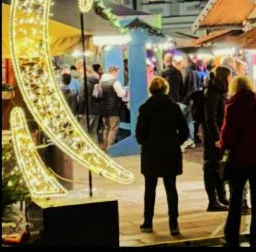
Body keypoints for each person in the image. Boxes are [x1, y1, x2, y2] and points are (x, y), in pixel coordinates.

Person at [217, 75, 256, 248]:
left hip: (239, 159)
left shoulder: (233, 107)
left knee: (235, 199)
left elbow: (228, 135)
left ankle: (232, 238)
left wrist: (221, 144)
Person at [135, 75, 190, 237]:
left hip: (151, 152)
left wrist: (147, 142)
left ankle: (148, 222)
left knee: (150, 189)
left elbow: (139, 135)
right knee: (171, 188)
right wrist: (175, 142)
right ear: (166, 89)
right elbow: (185, 131)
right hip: (170, 152)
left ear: (151, 90)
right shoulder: (174, 108)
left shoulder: (145, 108)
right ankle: (173, 224)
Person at [202, 65, 230, 211]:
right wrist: (216, 138)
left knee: (219, 166)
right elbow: (210, 117)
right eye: (229, 76)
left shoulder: (219, 92)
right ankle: (212, 201)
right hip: (212, 137)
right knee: (211, 167)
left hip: (219, 134)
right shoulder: (212, 92)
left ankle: (222, 197)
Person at [98, 65, 127, 150]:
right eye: (117, 72)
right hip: (113, 108)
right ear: (114, 71)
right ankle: (110, 148)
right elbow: (120, 94)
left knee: (106, 128)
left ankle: (104, 147)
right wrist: (125, 90)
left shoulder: (101, 81)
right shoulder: (115, 81)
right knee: (113, 128)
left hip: (104, 109)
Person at [76, 61, 101, 142]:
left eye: (81, 73)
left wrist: (79, 112)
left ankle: (86, 149)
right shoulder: (96, 81)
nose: (80, 75)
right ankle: (95, 148)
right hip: (96, 111)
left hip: (87, 111)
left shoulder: (85, 83)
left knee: (84, 133)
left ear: (85, 72)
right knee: (93, 133)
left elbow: (82, 98)